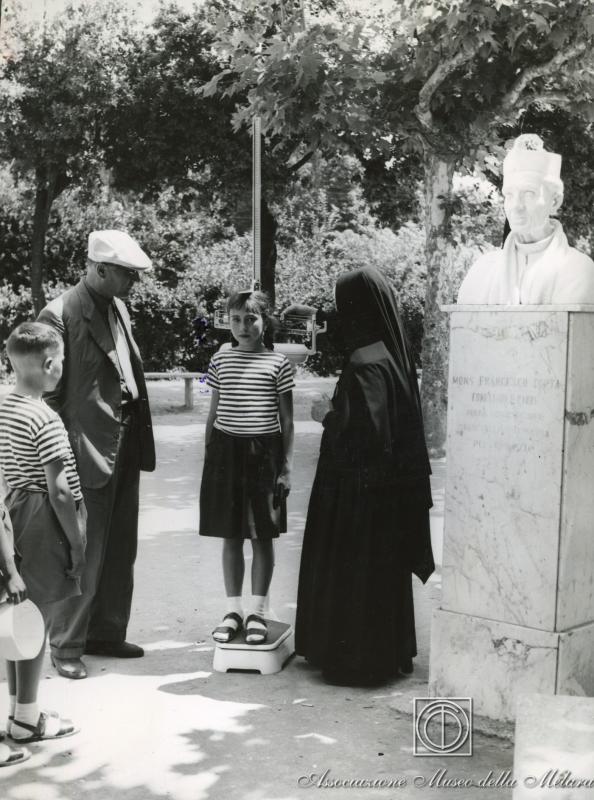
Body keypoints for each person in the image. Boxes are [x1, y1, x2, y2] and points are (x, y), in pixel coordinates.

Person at [295, 267, 435, 686]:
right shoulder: (387, 353)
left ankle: (359, 660)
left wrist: (328, 415)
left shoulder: (365, 361)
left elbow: (370, 436)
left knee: (356, 572)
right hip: (380, 495)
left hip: (358, 496)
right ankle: (386, 652)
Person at [37, 230, 155, 679]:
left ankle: (107, 632)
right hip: (83, 446)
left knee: (120, 546)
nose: (134, 283)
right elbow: (42, 393)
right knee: (82, 546)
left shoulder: (118, 307)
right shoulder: (59, 313)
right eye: (129, 274)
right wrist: (58, 452)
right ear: (100, 269)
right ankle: (66, 644)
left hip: (124, 441)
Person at [0, 323, 84, 747]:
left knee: (19, 615)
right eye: (62, 362)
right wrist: (77, 541)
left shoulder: (5, 407)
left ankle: (20, 709)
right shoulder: (45, 417)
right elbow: (61, 489)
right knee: (38, 621)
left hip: (12, 510)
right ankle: (28, 720)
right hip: (43, 519)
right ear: (50, 364)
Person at [199, 290, 294, 645]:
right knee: (230, 534)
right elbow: (213, 413)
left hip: (263, 454)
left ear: (264, 321)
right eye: (236, 319)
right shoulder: (220, 361)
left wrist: (285, 468)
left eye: (251, 318)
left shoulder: (277, 363)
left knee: (262, 536)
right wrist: (210, 456)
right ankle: (233, 610)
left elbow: (287, 420)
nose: (243, 326)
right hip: (225, 453)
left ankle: (257, 611)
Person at [458, 133, 594, 304]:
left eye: (529, 194)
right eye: (509, 194)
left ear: (554, 202)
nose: (516, 206)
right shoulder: (482, 271)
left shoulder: (578, 271)